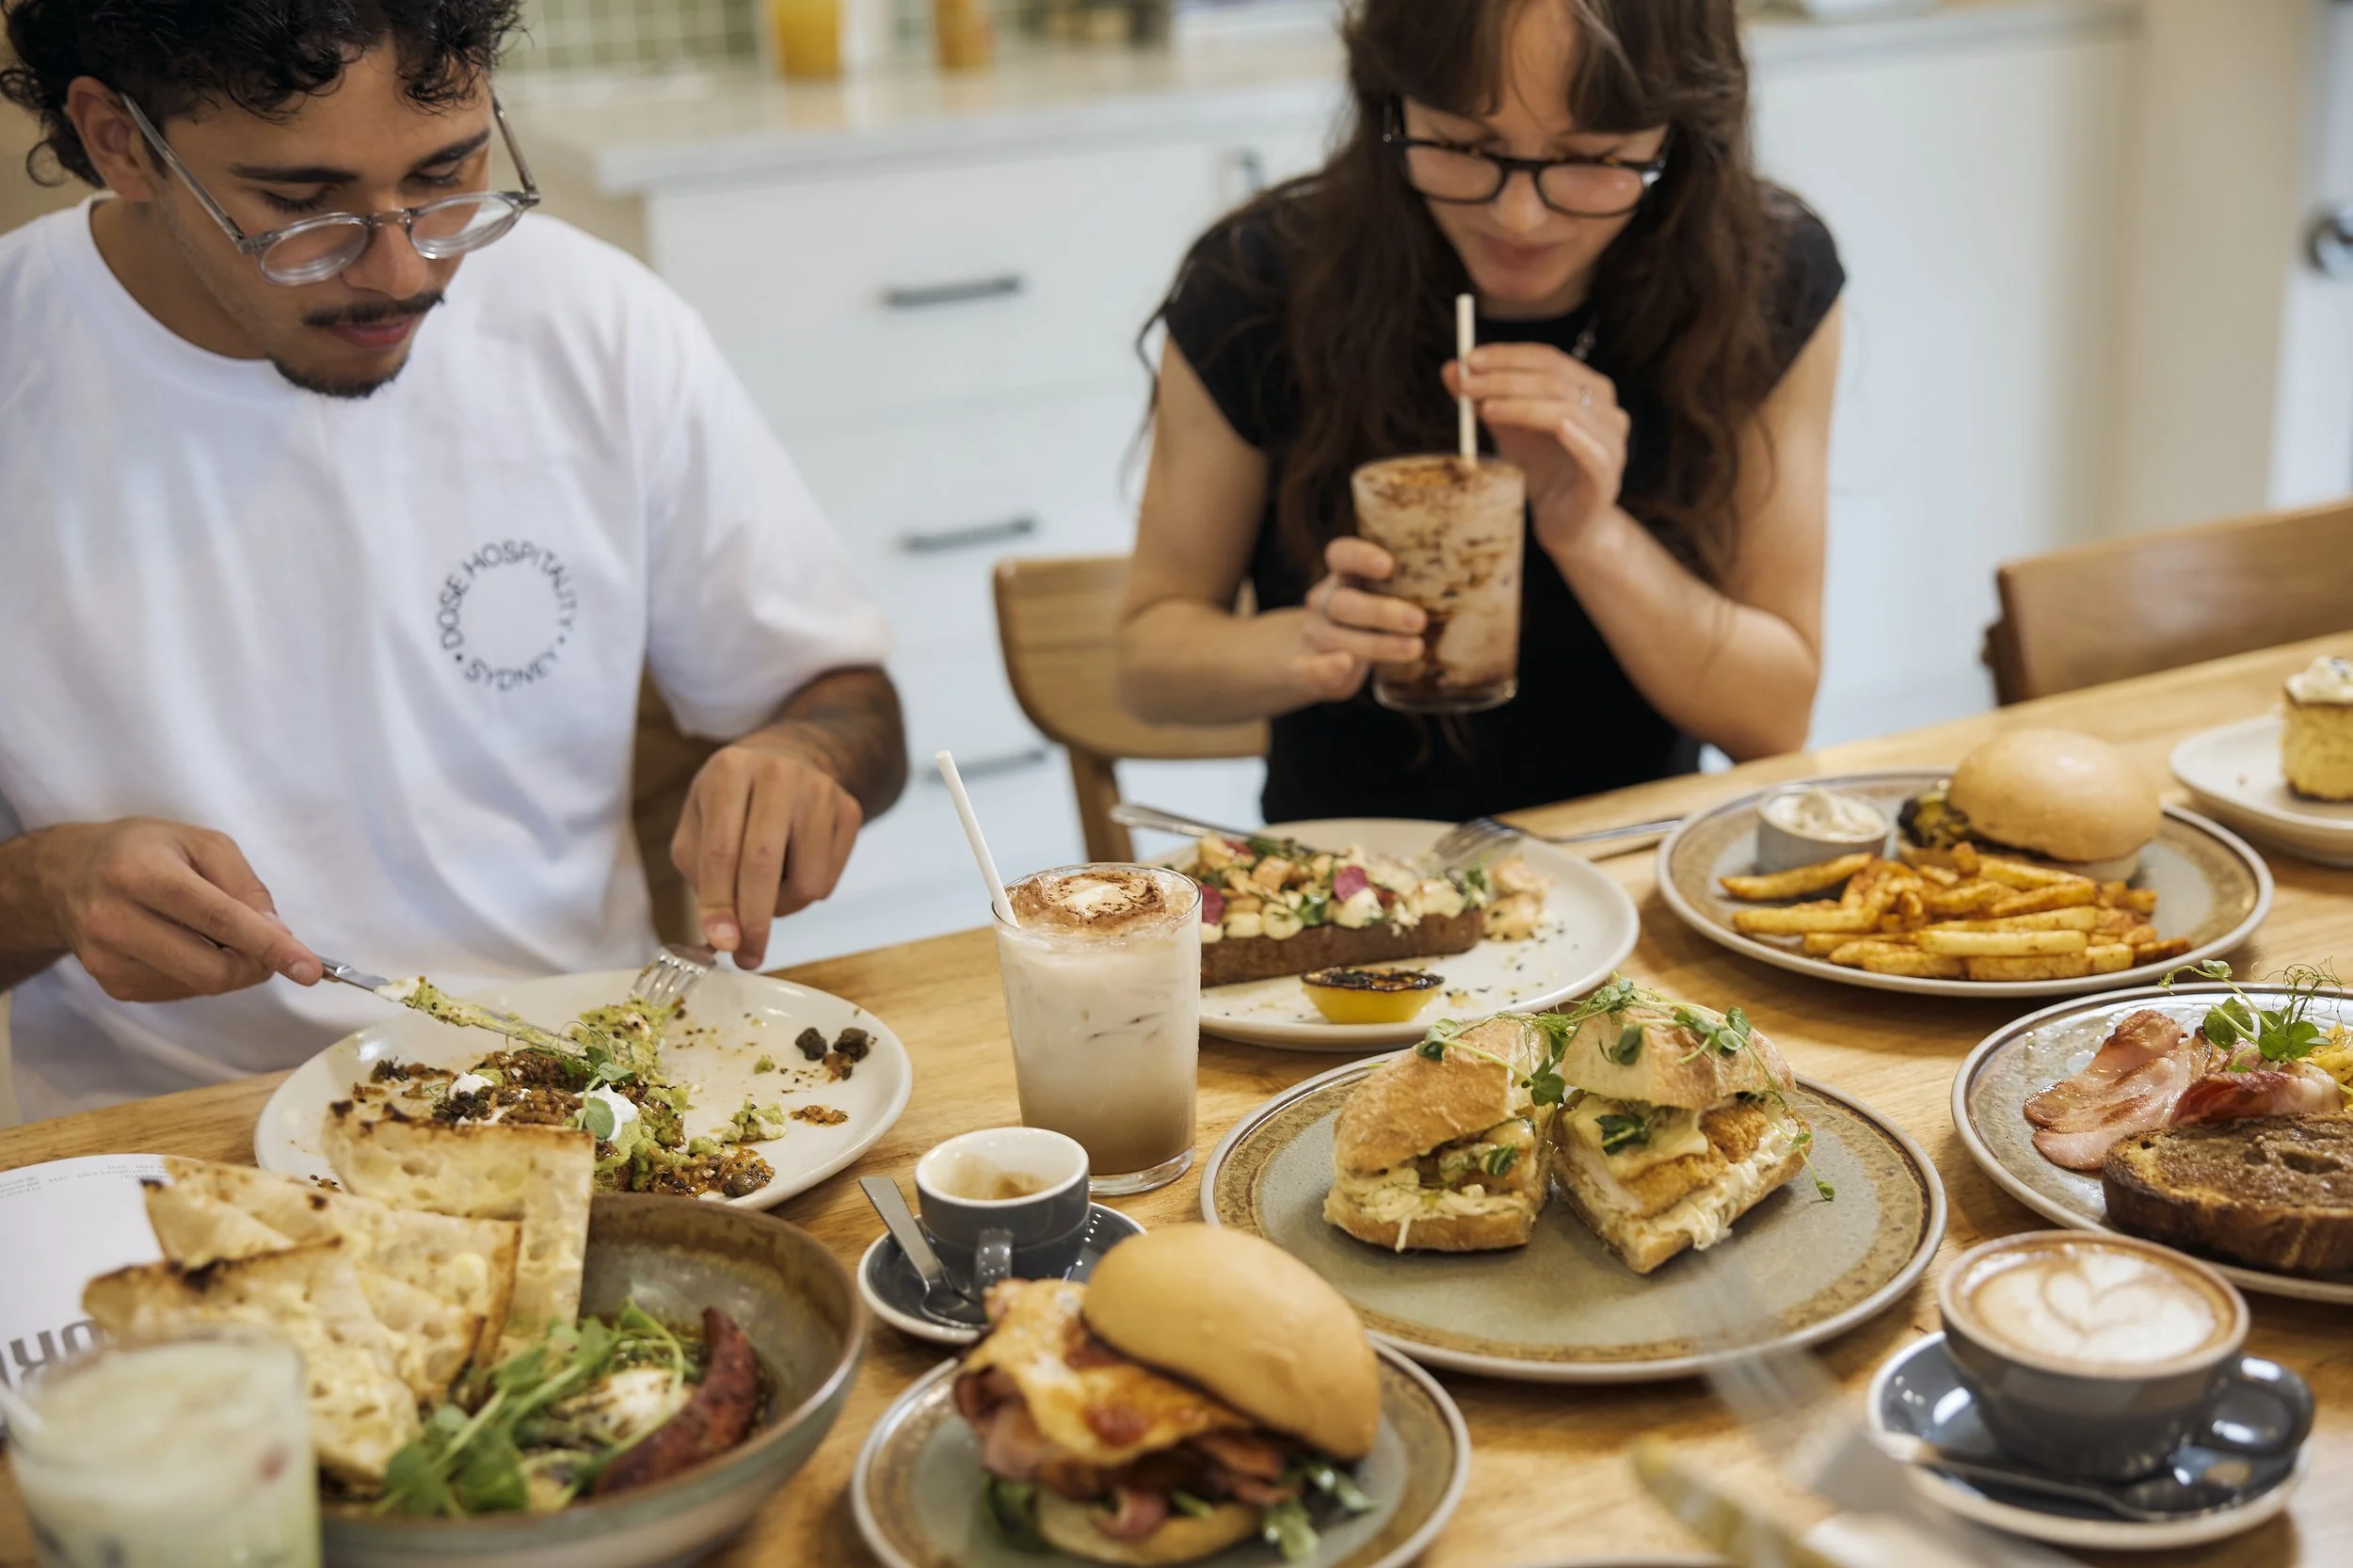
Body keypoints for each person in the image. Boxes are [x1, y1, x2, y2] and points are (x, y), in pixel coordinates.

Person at [0, 0, 906, 1118]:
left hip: (583, 1091)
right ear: (120, 141)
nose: (401, 271)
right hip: (172, 1132)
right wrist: (43, 888)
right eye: (302, 204)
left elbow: (848, 703)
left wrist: (805, 754)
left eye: (446, 175)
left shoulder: (594, 323)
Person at [1118, 0, 1845, 824]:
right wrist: (1308, 643)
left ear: (1680, 134)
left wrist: (1589, 532)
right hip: (1346, 871)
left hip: (1628, 860)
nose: (1519, 217)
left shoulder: (1764, 279)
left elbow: (1773, 718)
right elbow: (1147, 663)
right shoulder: (1258, 280)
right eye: (1465, 145)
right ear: (1389, 102)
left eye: (1591, 158)